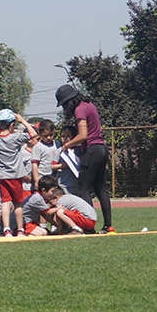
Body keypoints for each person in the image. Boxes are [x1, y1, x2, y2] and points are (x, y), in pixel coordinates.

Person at [55, 84, 113, 233]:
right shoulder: (89, 105)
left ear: (68, 102)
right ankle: (108, 226)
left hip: (92, 150)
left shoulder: (79, 110)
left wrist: (66, 145)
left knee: (83, 188)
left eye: (64, 105)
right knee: (100, 188)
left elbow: (82, 136)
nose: (65, 108)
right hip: (102, 148)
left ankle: (88, 227)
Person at [0, 109, 38, 237]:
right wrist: (23, 121)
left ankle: (6, 229)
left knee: (5, 203)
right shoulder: (16, 137)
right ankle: (20, 229)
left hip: (2, 176)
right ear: (11, 125)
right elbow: (33, 134)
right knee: (17, 204)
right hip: (16, 176)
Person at [31, 119, 60, 192]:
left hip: (55, 178)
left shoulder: (57, 144)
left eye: (51, 135)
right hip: (42, 177)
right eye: (45, 136)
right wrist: (36, 180)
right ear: (40, 134)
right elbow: (35, 164)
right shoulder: (38, 147)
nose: (48, 138)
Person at [53, 125, 80, 195]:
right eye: (62, 136)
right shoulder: (59, 151)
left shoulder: (78, 150)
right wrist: (64, 165)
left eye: (68, 136)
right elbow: (52, 166)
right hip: (64, 184)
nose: (65, 138)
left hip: (77, 183)